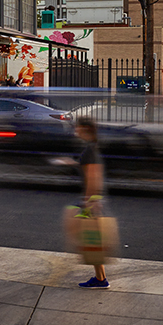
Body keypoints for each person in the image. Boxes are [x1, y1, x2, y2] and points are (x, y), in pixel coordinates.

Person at [69, 116, 109, 288]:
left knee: (92, 241)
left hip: (91, 201)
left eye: (77, 127)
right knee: (93, 241)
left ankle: (101, 280)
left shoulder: (90, 151)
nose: (75, 130)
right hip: (94, 200)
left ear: (85, 129)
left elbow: (93, 178)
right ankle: (100, 278)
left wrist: (87, 201)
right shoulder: (92, 148)